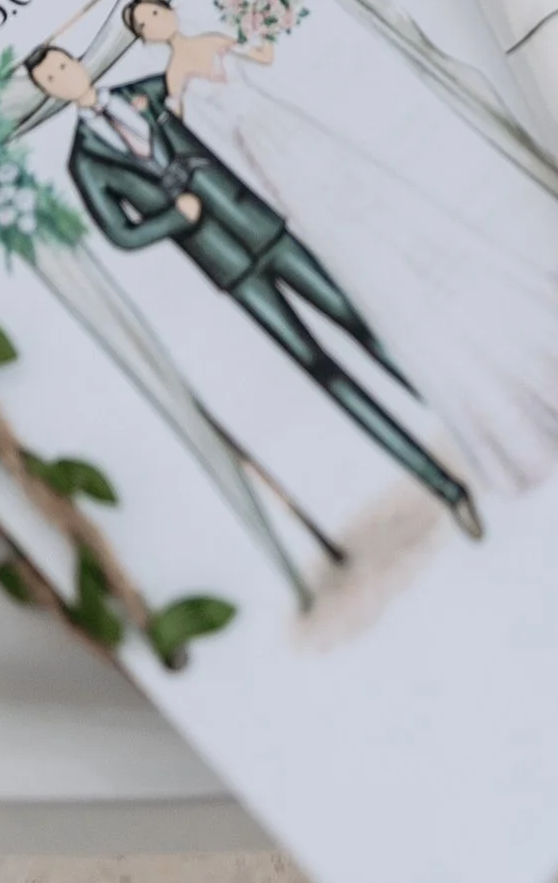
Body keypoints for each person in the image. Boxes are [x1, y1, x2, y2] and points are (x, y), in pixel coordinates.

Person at [124, 0, 558, 502]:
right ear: (145, 36)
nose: (154, 24)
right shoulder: (173, 85)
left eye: (154, 13)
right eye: (144, 23)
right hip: (269, 162)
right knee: (361, 260)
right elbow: (197, 141)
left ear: (168, 13)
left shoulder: (214, 39)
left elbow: (261, 56)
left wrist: (262, 22)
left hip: (299, 134)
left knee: (398, 218)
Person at [25, 37, 485, 536]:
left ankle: (477, 432)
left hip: (262, 226)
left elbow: (209, 72)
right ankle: (443, 486)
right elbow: (120, 233)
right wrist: (173, 219)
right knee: (322, 369)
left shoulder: (148, 90)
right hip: (228, 266)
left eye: (63, 66)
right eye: (50, 80)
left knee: (363, 325)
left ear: (77, 63)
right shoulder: (85, 161)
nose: (64, 78)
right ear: (48, 92)